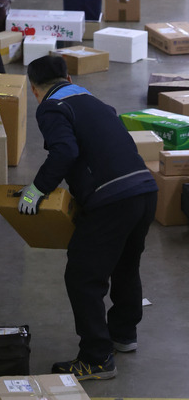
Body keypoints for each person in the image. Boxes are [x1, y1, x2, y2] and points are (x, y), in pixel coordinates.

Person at [19, 55, 158, 381]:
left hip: (112, 199)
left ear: (35, 89)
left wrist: (36, 190)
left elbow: (64, 151)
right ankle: (123, 334)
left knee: (83, 276)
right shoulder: (94, 101)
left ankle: (96, 358)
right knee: (126, 264)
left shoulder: (52, 107)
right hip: (144, 190)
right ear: (68, 77)